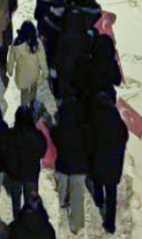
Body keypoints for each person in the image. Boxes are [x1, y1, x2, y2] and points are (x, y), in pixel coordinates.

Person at [86, 92, 129, 233]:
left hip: (98, 161)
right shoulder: (117, 121)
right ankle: (110, 223)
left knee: (97, 181)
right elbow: (125, 136)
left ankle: (98, 199)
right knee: (112, 194)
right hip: (114, 163)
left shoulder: (94, 120)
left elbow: (90, 141)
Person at [50, 98, 89, 234]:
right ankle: (76, 224)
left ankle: (62, 202)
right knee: (78, 195)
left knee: (62, 184)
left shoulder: (61, 128)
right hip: (79, 166)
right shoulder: (84, 128)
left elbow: (54, 137)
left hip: (64, 164)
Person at [3, 105, 48, 215]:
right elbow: (42, 151)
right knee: (31, 202)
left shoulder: (10, 134)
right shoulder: (37, 135)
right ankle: (30, 222)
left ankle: (18, 222)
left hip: (14, 174)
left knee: (16, 202)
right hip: (31, 173)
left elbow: (5, 151)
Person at [7, 23, 48, 114]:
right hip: (34, 74)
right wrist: (45, 72)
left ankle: (24, 109)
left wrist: (9, 70)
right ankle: (32, 107)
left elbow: (11, 58)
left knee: (24, 92)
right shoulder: (37, 43)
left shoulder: (16, 43)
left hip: (22, 74)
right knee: (33, 90)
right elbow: (42, 59)